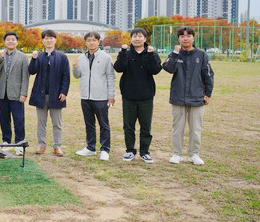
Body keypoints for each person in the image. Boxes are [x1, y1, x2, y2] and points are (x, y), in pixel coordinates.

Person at [162, 27, 214, 165]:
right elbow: (168, 68)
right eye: (182, 36)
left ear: (193, 38)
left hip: (197, 97)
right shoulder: (175, 54)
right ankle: (177, 154)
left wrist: (208, 93)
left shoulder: (201, 55)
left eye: (188, 35)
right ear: (178, 39)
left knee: (196, 128)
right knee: (178, 128)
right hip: (178, 96)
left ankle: (194, 154)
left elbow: (208, 74)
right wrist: (175, 53)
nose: (185, 38)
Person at [113, 28, 162, 164]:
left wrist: (151, 55)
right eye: (134, 36)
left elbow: (156, 70)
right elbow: (118, 68)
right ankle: (130, 151)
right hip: (128, 96)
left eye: (140, 36)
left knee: (146, 126)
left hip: (146, 96)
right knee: (128, 126)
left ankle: (145, 152)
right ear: (131, 39)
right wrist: (122, 53)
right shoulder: (126, 53)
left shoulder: (151, 53)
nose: (137, 39)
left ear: (145, 39)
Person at [73, 32, 116, 161]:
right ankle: (90, 147)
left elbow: (111, 77)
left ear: (98, 42)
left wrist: (111, 95)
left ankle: (105, 149)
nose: (91, 42)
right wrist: (75, 68)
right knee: (89, 123)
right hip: (85, 96)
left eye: (94, 40)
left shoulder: (106, 57)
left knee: (104, 124)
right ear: (85, 42)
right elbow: (77, 75)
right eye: (89, 40)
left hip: (101, 97)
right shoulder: (81, 58)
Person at [28, 29, 70, 156]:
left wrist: (64, 92)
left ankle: (57, 146)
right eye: (46, 38)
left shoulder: (62, 57)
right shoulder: (39, 56)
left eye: (51, 38)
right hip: (40, 95)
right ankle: (41, 145)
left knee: (57, 122)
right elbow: (32, 71)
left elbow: (66, 76)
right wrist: (34, 59)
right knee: (41, 122)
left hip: (56, 95)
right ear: (42, 40)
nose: (49, 40)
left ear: (55, 40)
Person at [0, 32, 30, 153]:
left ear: (16, 42)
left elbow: (25, 77)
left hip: (17, 93)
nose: (10, 42)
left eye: (13, 39)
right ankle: (6, 141)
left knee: (18, 119)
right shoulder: (0, 55)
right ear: (4, 42)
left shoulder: (23, 57)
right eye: (8, 40)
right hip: (3, 92)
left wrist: (23, 93)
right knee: (4, 118)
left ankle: (19, 143)